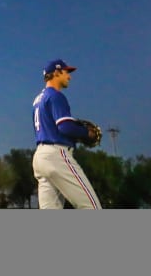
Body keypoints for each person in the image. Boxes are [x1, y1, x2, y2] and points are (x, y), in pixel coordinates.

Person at [32, 60, 102, 209]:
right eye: (66, 72)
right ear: (56, 73)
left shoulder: (38, 99)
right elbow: (65, 127)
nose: (69, 77)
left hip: (40, 157)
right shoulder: (56, 96)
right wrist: (86, 133)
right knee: (92, 207)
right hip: (57, 155)